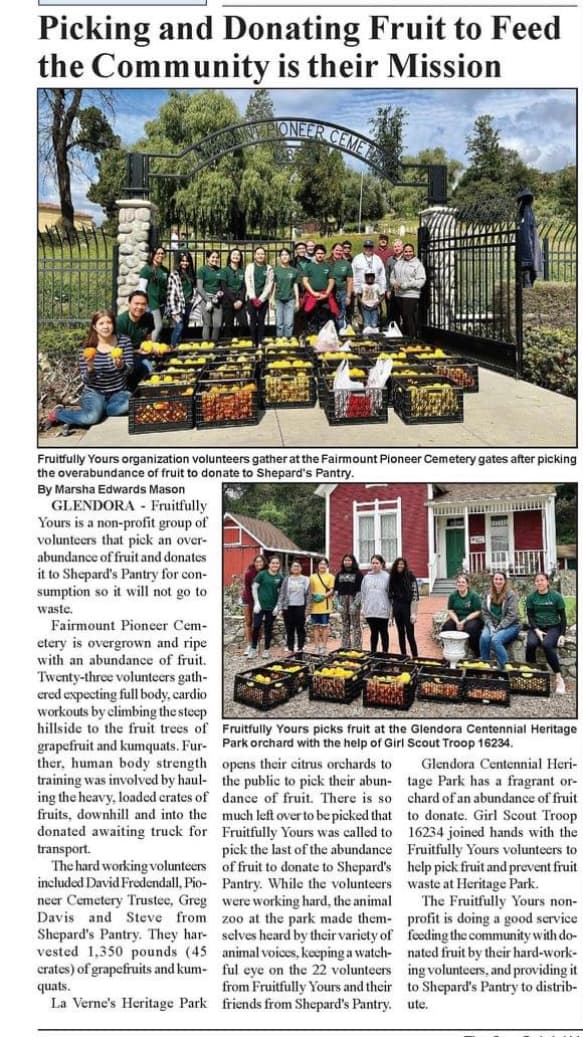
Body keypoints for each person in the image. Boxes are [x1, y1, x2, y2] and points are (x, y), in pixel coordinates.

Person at [45, 310, 134, 433]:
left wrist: (121, 365)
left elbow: (130, 370)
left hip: (119, 392)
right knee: (91, 418)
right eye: (101, 323)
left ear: (113, 324)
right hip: (95, 392)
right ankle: (59, 413)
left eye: (109, 322)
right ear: (94, 326)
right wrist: (90, 368)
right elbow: (85, 380)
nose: (106, 326)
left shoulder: (124, 341)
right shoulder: (87, 347)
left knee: (129, 403)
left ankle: (101, 410)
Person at [525, 572, 567, 695]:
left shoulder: (556, 596)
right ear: (535, 583)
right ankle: (532, 675)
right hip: (536, 627)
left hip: (553, 627)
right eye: (537, 581)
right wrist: (537, 630)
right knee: (531, 644)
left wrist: (562, 634)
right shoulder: (531, 597)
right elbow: (530, 616)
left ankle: (559, 678)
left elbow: (563, 617)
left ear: (547, 582)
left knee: (547, 644)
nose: (539, 583)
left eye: (542, 580)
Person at [479, 571, 521, 668]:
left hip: (511, 625)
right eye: (496, 579)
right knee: (484, 638)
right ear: (493, 581)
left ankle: (505, 670)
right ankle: (486, 667)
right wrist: (490, 626)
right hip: (492, 624)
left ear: (505, 581)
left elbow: (512, 615)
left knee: (496, 640)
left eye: (501, 579)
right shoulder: (488, 594)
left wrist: (498, 628)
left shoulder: (511, 595)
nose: (498, 581)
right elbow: (484, 612)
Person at [116, 290, 155, 387]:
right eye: (136, 304)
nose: (140, 307)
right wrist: (137, 351)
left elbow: (148, 339)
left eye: (143, 304)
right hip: (126, 356)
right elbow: (118, 349)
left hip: (142, 354)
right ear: (129, 304)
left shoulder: (148, 317)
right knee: (142, 368)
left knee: (152, 370)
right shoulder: (120, 322)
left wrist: (152, 348)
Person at [441, 574, 483, 658]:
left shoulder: (474, 596)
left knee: (471, 629)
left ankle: (477, 652)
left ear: (467, 584)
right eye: (459, 582)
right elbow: (450, 610)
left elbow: (478, 611)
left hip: (472, 618)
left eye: (463, 582)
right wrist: (457, 622)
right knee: (446, 626)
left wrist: (464, 621)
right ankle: (448, 650)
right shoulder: (453, 595)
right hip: (458, 618)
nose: (461, 584)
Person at [250, 556, 284, 660]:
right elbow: (254, 588)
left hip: (271, 607)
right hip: (260, 607)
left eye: (277, 563)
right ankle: (253, 648)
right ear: (269, 564)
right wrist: (257, 603)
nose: (275, 565)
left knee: (268, 629)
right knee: (256, 626)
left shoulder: (280, 577)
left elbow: (281, 594)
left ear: (279, 565)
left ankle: (266, 650)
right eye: (273, 563)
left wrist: (277, 607)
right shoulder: (262, 574)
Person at [390, 242, 426, 338]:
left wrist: (407, 285)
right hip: (399, 295)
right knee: (402, 317)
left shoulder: (418, 264)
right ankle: (405, 337)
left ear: (413, 252)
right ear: (403, 252)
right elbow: (392, 276)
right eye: (406, 252)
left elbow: (421, 281)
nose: (408, 253)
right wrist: (394, 283)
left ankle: (412, 338)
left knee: (408, 316)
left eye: (410, 251)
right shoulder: (398, 263)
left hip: (411, 295)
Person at [301, 244, 337, 334]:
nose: (320, 255)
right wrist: (313, 293)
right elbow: (305, 281)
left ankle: (323, 338)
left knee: (324, 319)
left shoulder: (328, 266)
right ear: (315, 254)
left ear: (324, 254)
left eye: (322, 253)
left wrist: (326, 293)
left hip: (325, 297)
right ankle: (313, 337)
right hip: (312, 296)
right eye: (318, 253)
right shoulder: (309, 266)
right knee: (312, 319)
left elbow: (331, 280)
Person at [277, 559, 310, 654]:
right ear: (291, 568)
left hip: (300, 606)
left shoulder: (306, 580)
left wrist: (308, 608)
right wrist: (280, 608)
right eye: (294, 566)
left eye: (298, 566)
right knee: (289, 628)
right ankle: (290, 647)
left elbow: (308, 595)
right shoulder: (286, 579)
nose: (296, 568)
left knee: (300, 628)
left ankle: (300, 647)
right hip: (288, 607)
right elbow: (282, 594)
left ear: (301, 568)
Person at [388, 557, 419, 657]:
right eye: (398, 564)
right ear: (395, 565)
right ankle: (403, 656)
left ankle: (415, 656)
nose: (400, 566)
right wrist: (390, 616)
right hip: (397, 607)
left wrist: (414, 613)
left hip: (408, 607)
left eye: (402, 564)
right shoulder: (392, 577)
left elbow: (415, 595)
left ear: (405, 565)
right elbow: (391, 598)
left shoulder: (411, 576)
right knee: (400, 633)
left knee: (410, 634)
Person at [360, 555, 391, 654]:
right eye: (373, 563)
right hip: (370, 610)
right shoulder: (366, 577)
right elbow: (363, 593)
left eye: (377, 563)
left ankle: (384, 653)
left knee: (384, 632)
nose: (375, 565)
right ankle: (373, 653)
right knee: (373, 633)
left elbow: (390, 594)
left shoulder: (387, 577)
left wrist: (391, 611)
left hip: (383, 609)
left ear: (381, 564)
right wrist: (363, 608)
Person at [166, 251, 197, 348]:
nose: (185, 263)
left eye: (187, 261)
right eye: (182, 261)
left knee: (184, 327)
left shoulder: (191, 274)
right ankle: (173, 345)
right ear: (179, 262)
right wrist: (173, 311)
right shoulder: (174, 275)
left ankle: (179, 347)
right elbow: (170, 294)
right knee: (179, 326)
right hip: (178, 306)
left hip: (188, 304)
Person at [138, 246, 169, 342]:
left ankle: (152, 347)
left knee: (153, 328)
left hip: (162, 303)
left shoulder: (165, 270)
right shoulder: (147, 269)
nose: (160, 255)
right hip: (152, 302)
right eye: (158, 253)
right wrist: (144, 303)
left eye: (162, 253)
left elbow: (166, 287)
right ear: (153, 255)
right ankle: (149, 348)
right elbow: (142, 287)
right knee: (158, 326)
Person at [245, 246, 274, 346]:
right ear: (254, 255)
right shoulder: (250, 267)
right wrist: (253, 297)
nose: (260, 256)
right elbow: (247, 281)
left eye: (262, 254)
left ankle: (260, 341)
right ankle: (253, 341)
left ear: (265, 256)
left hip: (263, 299)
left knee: (261, 320)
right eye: (258, 254)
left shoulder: (269, 268)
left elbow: (270, 284)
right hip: (251, 298)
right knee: (252, 320)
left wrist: (261, 298)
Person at [334, 554, 363, 649]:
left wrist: (355, 604)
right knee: (345, 624)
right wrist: (337, 604)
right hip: (342, 601)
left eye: (349, 560)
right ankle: (345, 646)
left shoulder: (358, 574)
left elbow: (360, 590)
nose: (347, 562)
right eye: (345, 560)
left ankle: (357, 647)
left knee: (356, 625)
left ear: (353, 561)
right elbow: (336, 591)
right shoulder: (339, 574)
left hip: (354, 600)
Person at [308, 558, 335, 655]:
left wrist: (323, 596)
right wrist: (313, 596)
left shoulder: (331, 577)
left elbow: (331, 590)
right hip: (314, 606)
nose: (322, 566)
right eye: (320, 564)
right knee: (315, 627)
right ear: (317, 566)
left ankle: (324, 646)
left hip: (325, 605)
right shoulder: (312, 577)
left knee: (324, 627)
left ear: (327, 566)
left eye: (324, 564)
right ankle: (316, 647)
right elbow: (310, 590)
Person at [272, 248, 299, 339]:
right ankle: (280, 342)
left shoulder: (294, 271)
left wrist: (297, 300)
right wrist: (271, 299)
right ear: (280, 257)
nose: (285, 257)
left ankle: (288, 342)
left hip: (290, 299)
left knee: (289, 323)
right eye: (282, 255)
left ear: (290, 257)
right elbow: (273, 286)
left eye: (286, 255)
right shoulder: (275, 270)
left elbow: (295, 286)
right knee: (279, 324)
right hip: (278, 299)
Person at [241, 554, 266, 657]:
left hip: (260, 601)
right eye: (257, 562)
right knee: (248, 622)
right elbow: (247, 589)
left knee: (257, 624)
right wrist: (253, 604)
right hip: (248, 599)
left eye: (261, 562)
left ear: (264, 563)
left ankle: (256, 644)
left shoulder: (266, 573)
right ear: (254, 563)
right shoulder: (249, 573)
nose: (258, 563)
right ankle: (249, 645)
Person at [197, 250, 224, 342]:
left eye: (217, 257)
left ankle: (214, 344)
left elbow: (221, 286)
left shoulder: (220, 271)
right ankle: (205, 345)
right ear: (207, 258)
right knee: (207, 324)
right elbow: (199, 288)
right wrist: (208, 300)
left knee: (217, 324)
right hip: (206, 300)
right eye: (213, 257)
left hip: (217, 300)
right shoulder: (202, 270)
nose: (215, 259)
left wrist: (220, 293)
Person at [220, 248, 247, 337]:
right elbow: (224, 287)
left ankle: (241, 344)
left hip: (240, 301)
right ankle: (228, 345)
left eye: (238, 255)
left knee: (244, 324)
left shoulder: (242, 271)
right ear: (230, 256)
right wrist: (234, 300)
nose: (236, 256)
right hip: (228, 301)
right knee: (229, 325)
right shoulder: (224, 271)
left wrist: (240, 300)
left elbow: (244, 287)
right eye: (234, 254)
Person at [352, 239, 386, 303]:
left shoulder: (378, 259)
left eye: (370, 247)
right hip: (361, 290)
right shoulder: (357, 258)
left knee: (375, 311)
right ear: (363, 247)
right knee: (362, 311)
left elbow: (382, 275)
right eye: (366, 247)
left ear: (373, 248)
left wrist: (382, 289)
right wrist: (354, 289)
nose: (368, 249)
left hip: (375, 290)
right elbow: (353, 274)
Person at [330, 242, 354, 332]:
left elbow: (350, 280)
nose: (339, 252)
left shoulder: (346, 264)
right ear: (332, 251)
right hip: (330, 293)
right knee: (331, 314)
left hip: (342, 292)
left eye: (341, 250)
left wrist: (348, 296)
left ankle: (341, 332)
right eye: (337, 250)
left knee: (341, 313)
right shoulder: (327, 262)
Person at [386, 239, 404, 328]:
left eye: (398, 246)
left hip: (405, 290)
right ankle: (396, 330)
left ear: (402, 247)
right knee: (394, 312)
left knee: (405, 312)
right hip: (394, 290)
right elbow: (387, 275)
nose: (397, 248)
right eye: (395, 247)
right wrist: (388, 290)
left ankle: (406, 331)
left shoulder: (407, 258)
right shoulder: (390, 260)